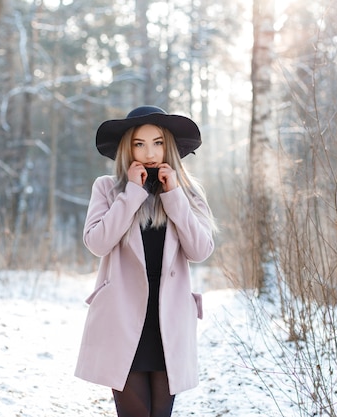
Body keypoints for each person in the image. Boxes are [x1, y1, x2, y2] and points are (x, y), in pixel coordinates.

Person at [75, 105, 217, 417]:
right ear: (128, 147)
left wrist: (174, 195)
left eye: (158, 142)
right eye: (140, 143)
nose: (150, 152)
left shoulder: (189, 192)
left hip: (168, 324)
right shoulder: (107, 188)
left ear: (170, 146)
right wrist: (132, 194)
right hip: (123, 322)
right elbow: (97, 243)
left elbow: (200, 250)